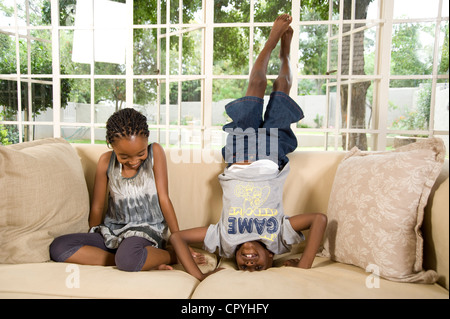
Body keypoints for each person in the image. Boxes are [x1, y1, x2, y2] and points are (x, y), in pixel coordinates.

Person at [169, 14, 327, 281]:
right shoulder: (279, 238)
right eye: (258, 267)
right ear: (271, 258)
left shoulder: (224, 241)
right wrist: (303, 268)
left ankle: (271, 41)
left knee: (256, 85)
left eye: (244, 268)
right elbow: (319, 219)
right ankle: (285, 52)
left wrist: (200, 277)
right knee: (282, 87)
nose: (249, 263)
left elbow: (176, 237)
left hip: (239, 154)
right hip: (272, 152)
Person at [50, 108, 204, 271]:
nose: (133, 161)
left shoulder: (155, 153)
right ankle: (139, 259)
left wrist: (178, 242)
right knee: (59, 247)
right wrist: (91, 235)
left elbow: (164, 199)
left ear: (147, 142)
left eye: (140, 153)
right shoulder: (105, 161)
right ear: (111, 146)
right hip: (112, 232)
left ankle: (170, 255)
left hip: (146, 233)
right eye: (124, 157)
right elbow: (97, 206)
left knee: (128, 255)